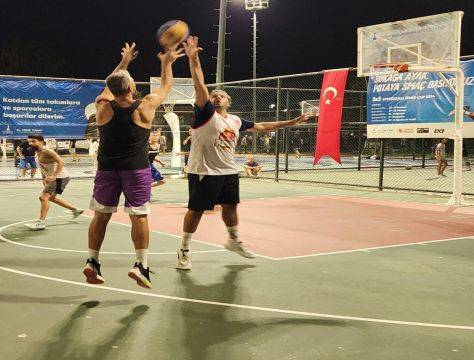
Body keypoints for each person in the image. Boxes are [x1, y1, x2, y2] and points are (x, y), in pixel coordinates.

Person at [177, 36, 313, 270]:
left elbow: (263, 126)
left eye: (221, 95)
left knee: (230, 207)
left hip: (228, 170)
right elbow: (199, 84)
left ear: (228, 101)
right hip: (204, 171)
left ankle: (233, 240)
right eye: (214, 95)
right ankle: (184, 249)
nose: (217, 96)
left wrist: (294, 120)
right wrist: (193, 57)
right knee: (196, 210)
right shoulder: (205, 114)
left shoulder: (236, 120)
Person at [83, 42, 183, 289]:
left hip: (107, 169)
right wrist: (166, 62)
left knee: (101, 215)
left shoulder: (102, 106)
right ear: (131, 87)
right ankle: (141, 266)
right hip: (136, 169)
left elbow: (110, 83)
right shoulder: (146, 105)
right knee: (139, 217)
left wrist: (125, 61)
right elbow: (166, 86)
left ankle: (93, 261)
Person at [25, 134, 83, 230]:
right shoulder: (37, 152)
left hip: (60, 178)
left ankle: (40, 223)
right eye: (29, 141)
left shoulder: (47, 151)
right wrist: (44, 177)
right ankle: (75, 210)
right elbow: (42, 166)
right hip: (55, 178)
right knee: (51, 198)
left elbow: (61, 162)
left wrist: (54, 175)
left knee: (43, 198)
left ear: (41, 142)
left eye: (33, 141)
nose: (30, 143)